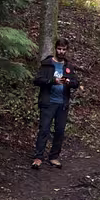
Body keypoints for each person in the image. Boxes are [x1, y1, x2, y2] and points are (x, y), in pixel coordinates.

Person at [31, 40, 80, 171]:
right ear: (55, 49)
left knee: (59, 131)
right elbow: (37, 80)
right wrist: (52, 80)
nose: (61, 52)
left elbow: (76, 83)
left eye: (64, 49)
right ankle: (38, 157)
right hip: (48, 102)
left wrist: (68, 82)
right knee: (44, 130)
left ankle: (54, 156)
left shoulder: (68, 66)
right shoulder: (47, 64)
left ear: (67, 50)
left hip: (62, 104)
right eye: (59, 49)